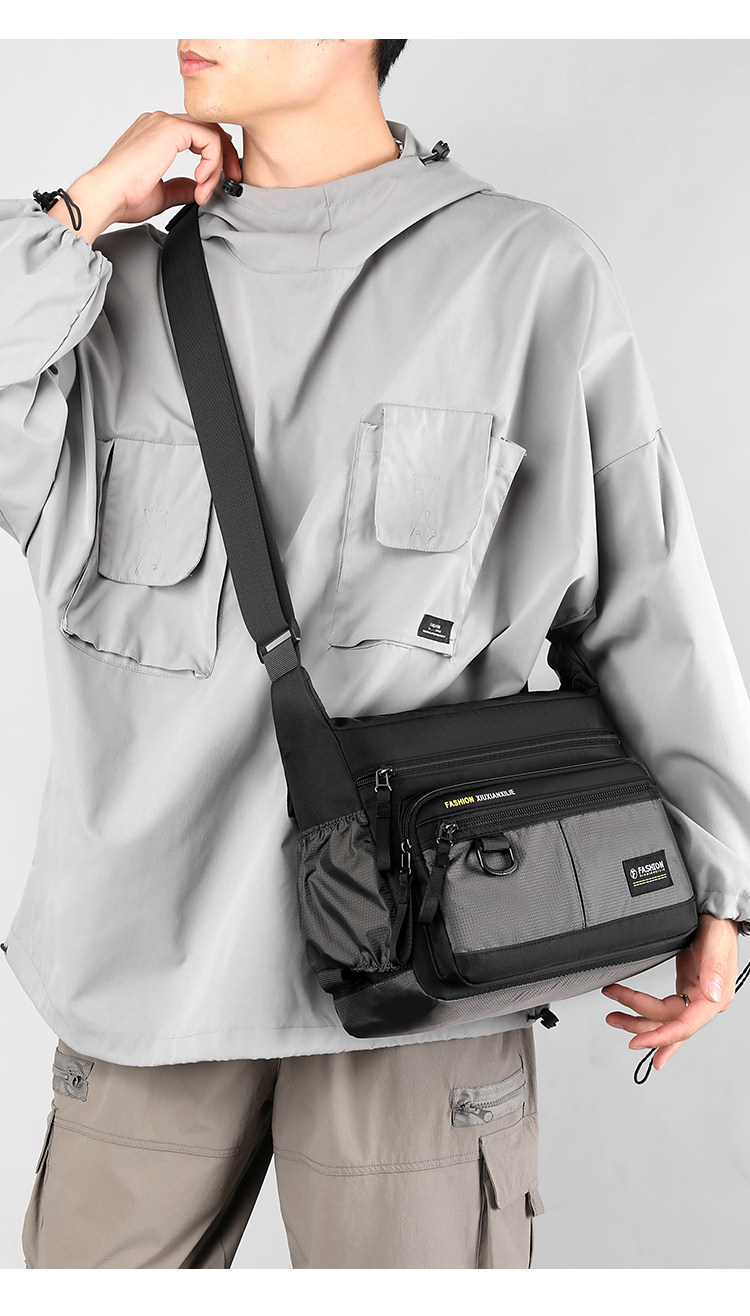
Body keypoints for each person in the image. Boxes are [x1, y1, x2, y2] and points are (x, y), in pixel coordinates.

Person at [1, 38, 748, 1270]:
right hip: (149, 979)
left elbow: (644, 595)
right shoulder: (99, 290)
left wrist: (723, 878)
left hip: (429, 972)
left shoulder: (526, 274)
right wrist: (76, 208)